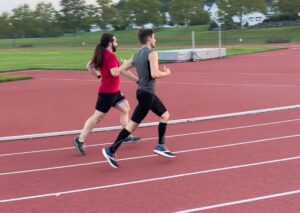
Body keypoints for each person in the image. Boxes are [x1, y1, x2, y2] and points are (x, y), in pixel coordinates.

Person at [102, 29, 175, 168]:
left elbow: (122, 69)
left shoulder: (136, 55)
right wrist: (166, 73)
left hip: (144, 92)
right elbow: (154, 74)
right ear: (148, 39)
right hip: (147, 94)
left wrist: (138, 80)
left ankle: (161, 145)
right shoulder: (152, 53)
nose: (155, 40)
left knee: (165, 115)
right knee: (132, 126)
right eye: (154, 38)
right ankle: (110, 150)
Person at [73, 33, 141, 156]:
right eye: (115, 41)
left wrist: (137, 80)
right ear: (110, 42)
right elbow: (115, 72)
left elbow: (89, 66)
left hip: (114, 91)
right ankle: (80, 139)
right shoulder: (109, 56)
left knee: (125, 108)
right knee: (97, 117)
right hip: (107, 93)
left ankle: (126, 135)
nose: (117, 43)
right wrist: (124, 65)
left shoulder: (102, 53)